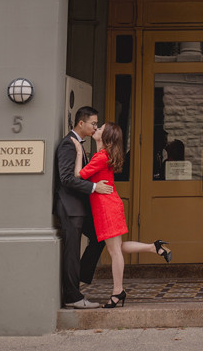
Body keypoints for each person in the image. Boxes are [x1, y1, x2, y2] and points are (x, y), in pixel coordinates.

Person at [72, 121, 172, 308]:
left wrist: (79, 152)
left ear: (105, 136)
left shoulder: (101, 157)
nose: (96, 129)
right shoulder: (104, 155)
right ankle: (154, 247)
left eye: (100, 128)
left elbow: (78, 175)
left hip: (106, 208)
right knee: (117, 246)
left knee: (114, 250)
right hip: (111, 205)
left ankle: (118, 291)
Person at [54, 106, 112, 309]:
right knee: (71, 251)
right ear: (81, 123)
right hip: (70, 208)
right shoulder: (67, 145)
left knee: (99, 237)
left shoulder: (78, 144)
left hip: (80, 207)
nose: (95, 126)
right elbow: (67, 179)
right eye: (93, 123)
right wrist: (95, 187)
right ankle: (73, 297)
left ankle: (78, 281)